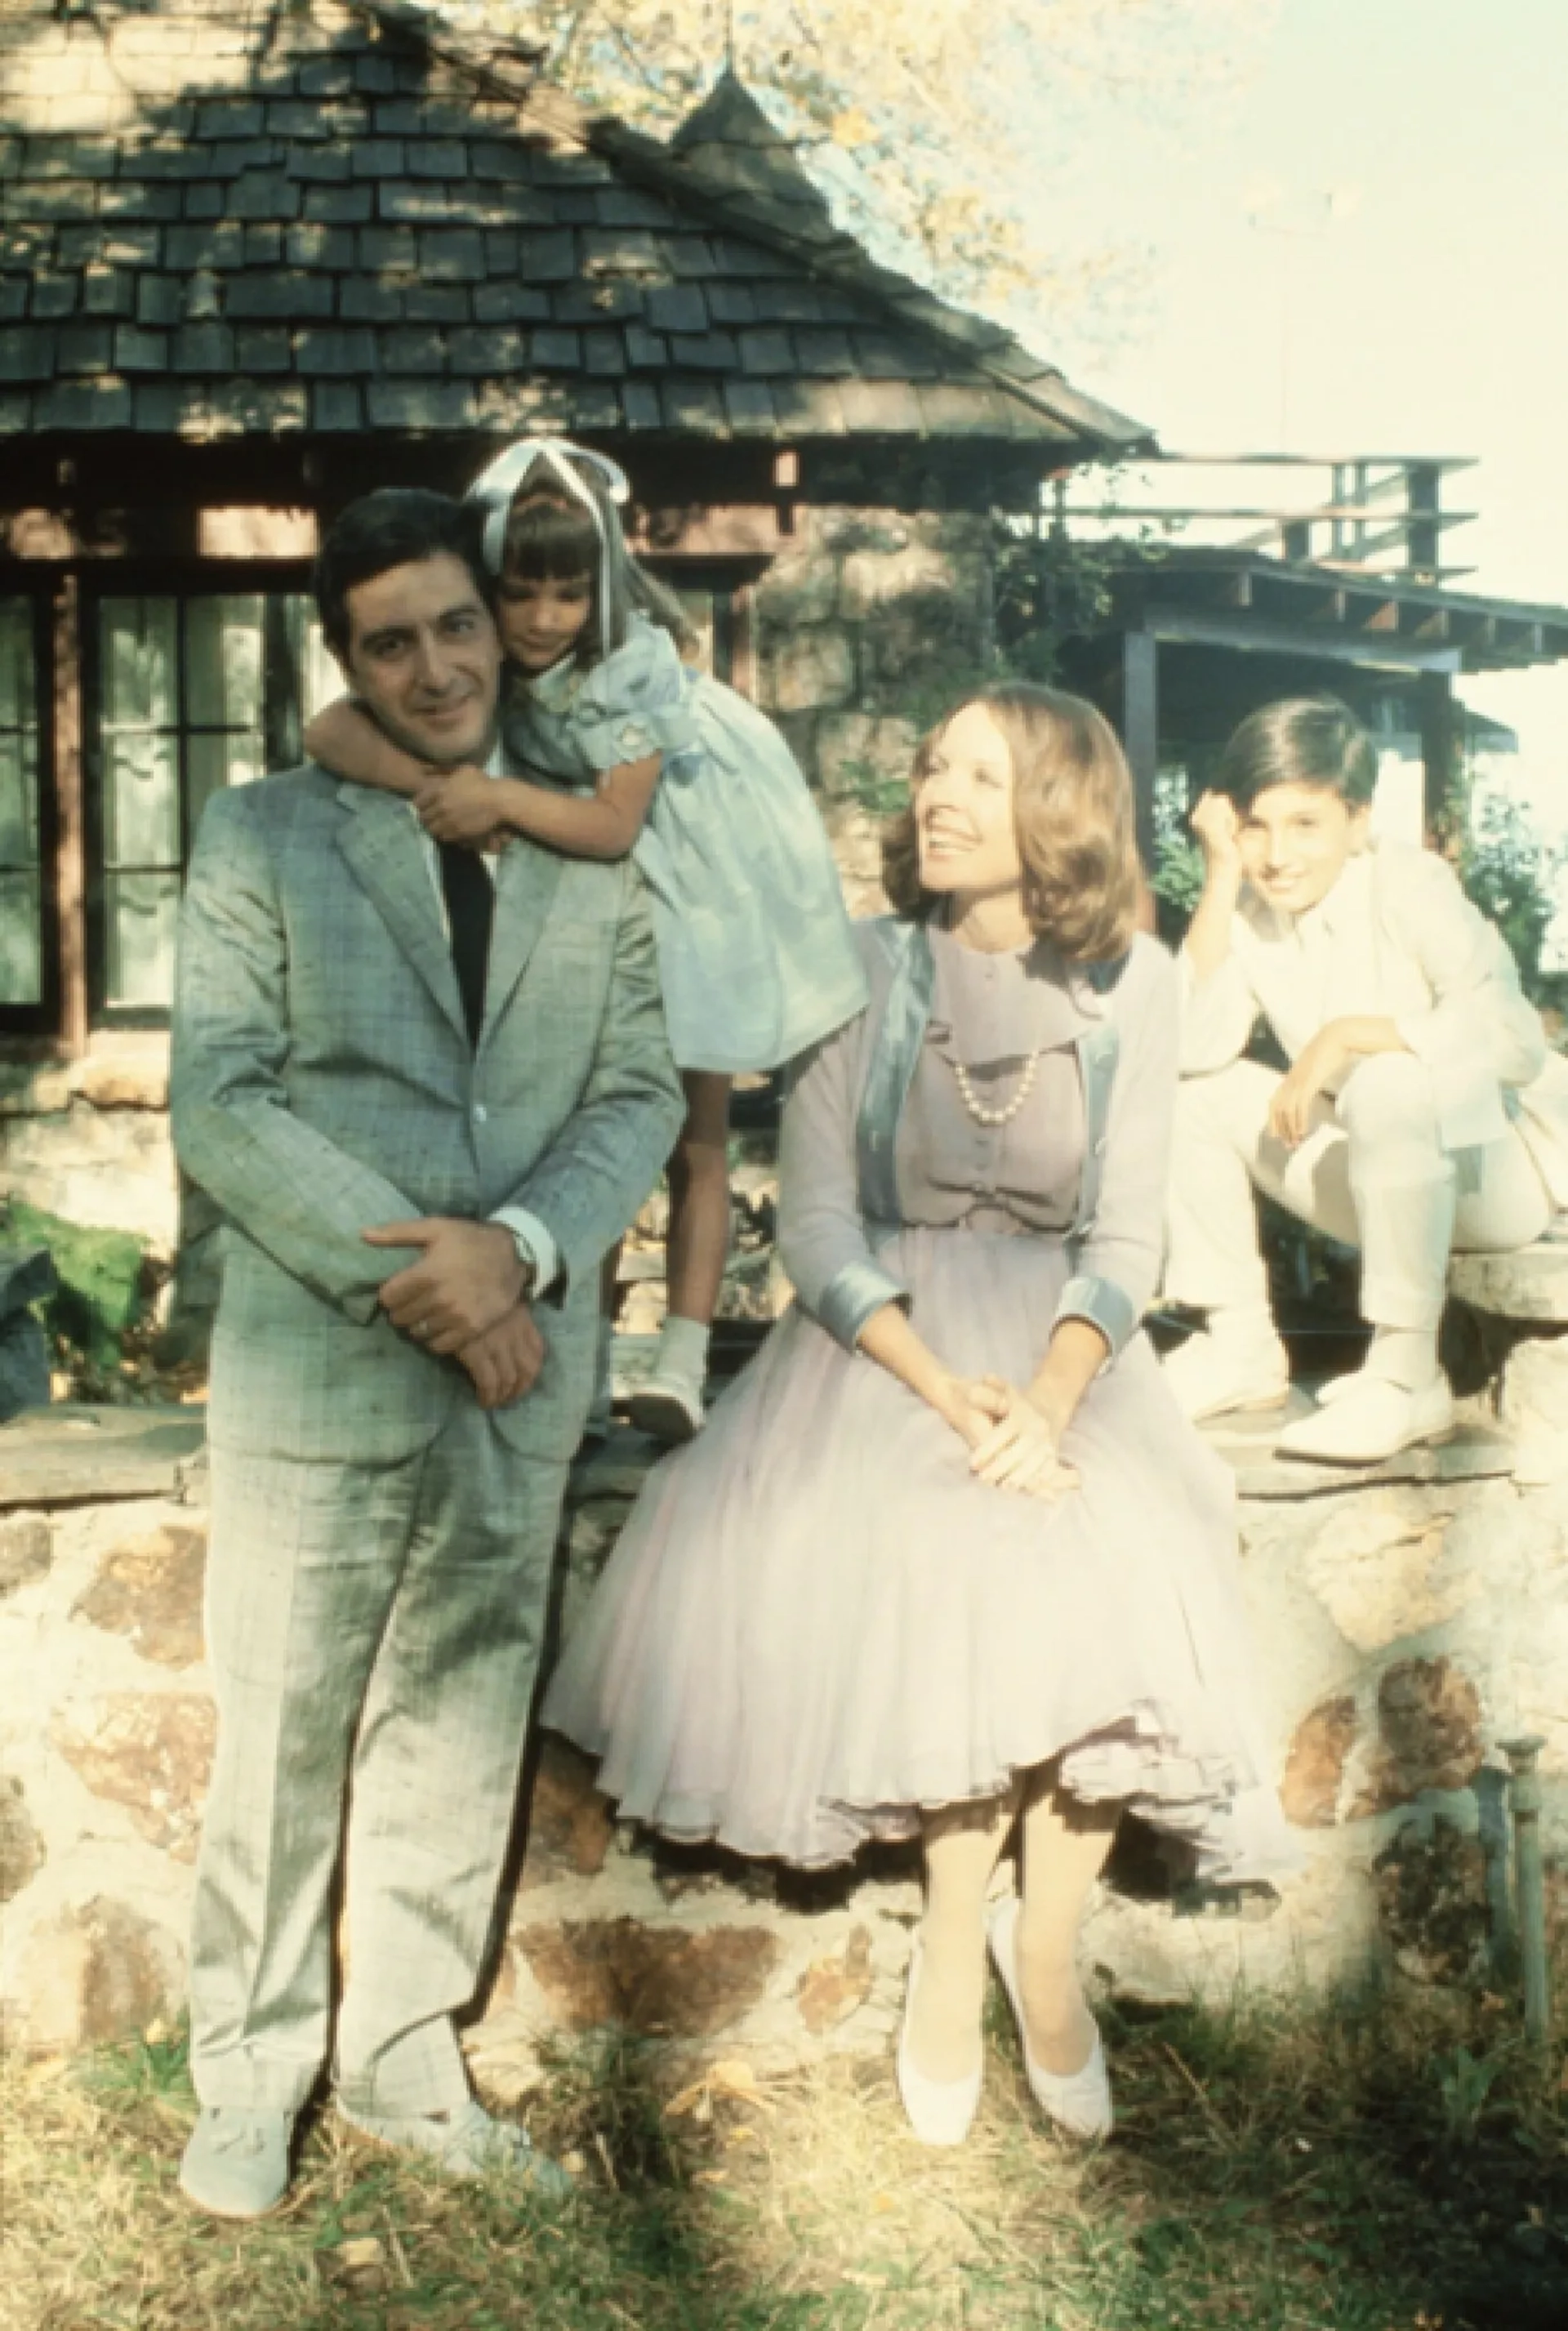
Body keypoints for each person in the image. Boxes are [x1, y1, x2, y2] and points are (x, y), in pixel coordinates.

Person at [542, 684, 1298, 2149]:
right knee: (948, 1537)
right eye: (931, 766)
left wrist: (1058, 1401)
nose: (932, 794)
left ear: (1059, 811)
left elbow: (1130, 1236)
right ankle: (959, 1938)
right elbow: (816, 1227)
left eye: (976, 772)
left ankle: (1050, 1937)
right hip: (880, 1346)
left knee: (1126, 1536)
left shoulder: (1139, 979)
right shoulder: (861, 964)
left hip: (1068, 1344)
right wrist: (946, 1389)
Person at [168, 489, 684, 2219]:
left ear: (497, 621)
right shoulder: (259, 833)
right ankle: (248, 2076)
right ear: (346, 661)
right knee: (284, 1732)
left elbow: (636, 1094)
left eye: (458, 623)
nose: (437, 662)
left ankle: (402, 2059)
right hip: (330, 1351)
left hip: (520, 1353)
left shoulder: (586, 841)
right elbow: (219, 1099)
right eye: (389, 640)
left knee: (459, 1728)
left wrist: (523, 1252)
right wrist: (428, 1273)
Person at [305, 438, 866, 1445]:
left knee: (695, 1136)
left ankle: (684, 1359)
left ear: (603, 584)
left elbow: (614, 826)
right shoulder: (476, 663)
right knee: (589, 1137)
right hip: (593, 894)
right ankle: (589, 1361)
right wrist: (444, 793)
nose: (543, 621)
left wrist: (500, 799)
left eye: (569, 595)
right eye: (519, 595)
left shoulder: (629, 671)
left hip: (689, 886)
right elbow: (326, 735)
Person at [1162, 696, 1568, 1465]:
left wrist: (1345, 1038)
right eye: (1255, 825)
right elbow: (1192, 1047)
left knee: (1387, 1080)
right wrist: (1220, 878)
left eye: (1305, 824)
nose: (1277, 854)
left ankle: (1407, 1373)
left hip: (1494, 1175)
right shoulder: (1248, 908)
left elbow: (1515, 1041)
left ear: (1356, 822)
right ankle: (1240, 1344)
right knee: (1195, 1093)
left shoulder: (1407, 882)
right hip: (1384, 1175)